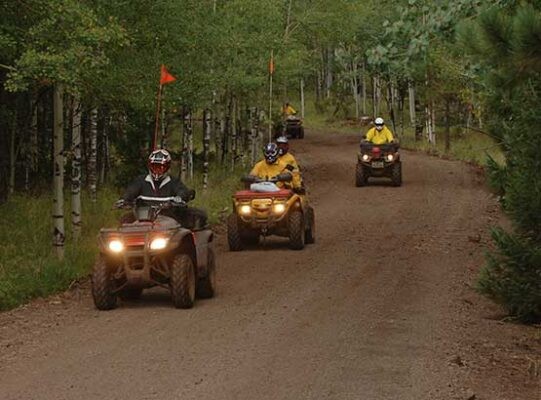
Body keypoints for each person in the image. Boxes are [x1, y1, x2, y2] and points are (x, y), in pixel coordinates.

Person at [119, 149, 207, 229]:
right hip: (142, 217)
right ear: (150, 166)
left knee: (185, 223)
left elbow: (182, 191)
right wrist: (124, 200)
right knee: (125, 222)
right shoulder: (141, 181)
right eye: (154, 167)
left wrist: (180, 198)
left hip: (169, 217)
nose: (157, 171)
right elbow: (130, 191)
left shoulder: (173, 182)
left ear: (167, 168)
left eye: (160, 168)